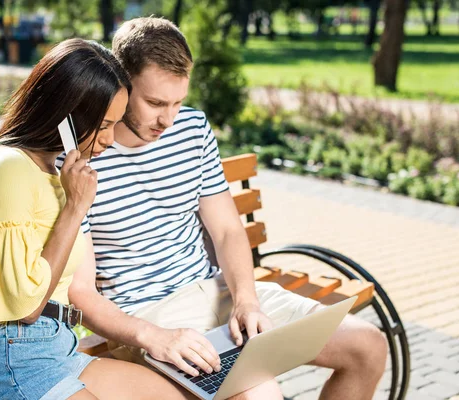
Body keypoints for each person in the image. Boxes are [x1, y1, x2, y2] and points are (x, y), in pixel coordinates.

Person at [62, 18, 387, 400]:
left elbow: (229, 231)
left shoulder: (193, 128)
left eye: (178, 102)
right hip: (150, 319)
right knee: (260, 393)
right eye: (155, 103)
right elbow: (81, 291)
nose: (168, 119)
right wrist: (155, 337)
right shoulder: (79, 162)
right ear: (121, 84)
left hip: (218, 292)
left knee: (368, 346)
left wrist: (247, 301)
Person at [0, 38, 190, 400]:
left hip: (60, 350)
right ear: (65, 115)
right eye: (102, 125)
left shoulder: (53, 172)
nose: (110, 139)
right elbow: (26, 307)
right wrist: (75, 208)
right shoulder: (9, 167)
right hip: (14, 357)